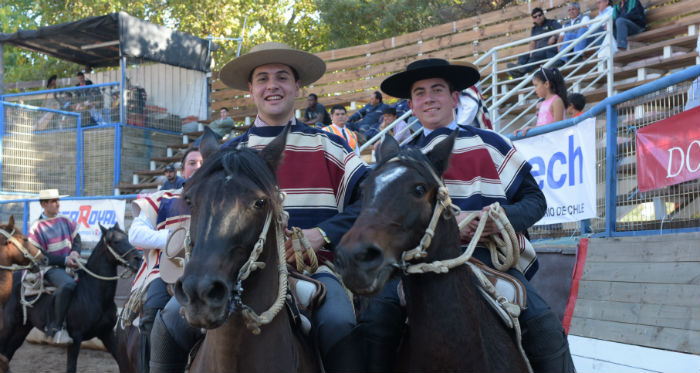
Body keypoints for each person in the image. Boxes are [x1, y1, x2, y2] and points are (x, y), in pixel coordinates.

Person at [148, 42, 369, 373]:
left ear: (297, 87)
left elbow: (372, 202)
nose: (272, 86)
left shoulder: (330, 147)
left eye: (282, 77)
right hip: (237, 274)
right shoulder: (229, 155)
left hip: (317, 272)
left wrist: (323, 234)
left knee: (339, 324)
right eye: (262, 79)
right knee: (167, 325)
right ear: (251, 90)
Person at [359, 57, 574, 373]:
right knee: (374, 321)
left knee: (546, 328)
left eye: (438, 90)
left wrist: (495, 220)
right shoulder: (400, 161)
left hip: (487, 261)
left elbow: (534, 201)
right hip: (418, 265)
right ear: (411, 104)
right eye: (420, 93)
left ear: (454, 97)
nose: (429, 98)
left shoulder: (491, 143)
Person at [128, 147, 203, 373]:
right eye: (192, 163)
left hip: (210, 270)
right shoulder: (162, 198)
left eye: (202, 162)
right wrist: (174, 239)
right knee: (153, 310)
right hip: (166, 271)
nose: (198, 166)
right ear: (182, 170)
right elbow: (135, 234)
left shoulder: (222, 198)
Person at [27, 189, 82, 344]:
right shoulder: (35, 227)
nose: (57, 203)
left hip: (70, 264)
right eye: (53, 201)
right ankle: (55, 328)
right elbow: (41, 256)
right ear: (44, 204)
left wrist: (75, 253)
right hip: (49, 269)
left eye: (58, 200)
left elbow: (77, 239)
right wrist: (65, 261)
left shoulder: (65, 220)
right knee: (68, 284)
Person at [508, 8, 562, 77]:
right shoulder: (534, 29)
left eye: (539, 15)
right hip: (538, 51)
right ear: (533, 19)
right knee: (522, 56)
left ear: (543, 15)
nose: (538, 17)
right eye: (535, 16)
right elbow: (532, 42)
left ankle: (522, 70)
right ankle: (518, 69)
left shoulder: (551, 23)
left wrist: (554, 36)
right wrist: (531, 51)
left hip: (549, 50)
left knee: (536, 56)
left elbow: (562, 30)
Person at [515, 67, 568, 136]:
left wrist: (534, 129)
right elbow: (542, 125)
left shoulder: (556, 101)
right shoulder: (542, 103)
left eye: (536, 85)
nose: (535, 89)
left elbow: (558, 126)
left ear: (546, 84)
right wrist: (526, 131)